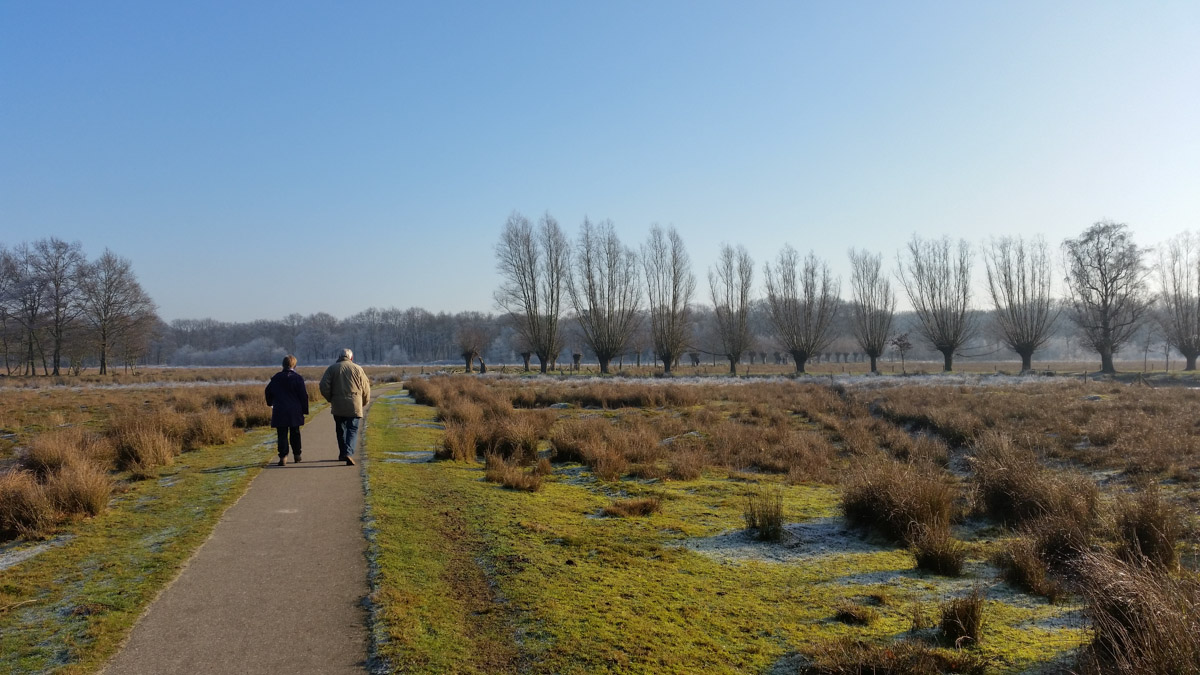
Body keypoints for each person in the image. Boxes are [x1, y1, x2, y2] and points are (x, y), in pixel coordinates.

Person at [319, 348, 371, 466]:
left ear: (339, 356)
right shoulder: (358, 369)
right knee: (352, 430)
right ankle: (348, 453)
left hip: (338, 404)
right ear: (351, 358)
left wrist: (330, 398)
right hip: (354, 403)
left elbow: (323, 386)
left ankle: (343, 453)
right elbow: (366, 388)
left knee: (340, 429)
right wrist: (364, 402)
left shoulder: (332, 369)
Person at [265, 354, 309, 466]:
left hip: (280, 409)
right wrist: (304, 409)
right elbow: (303, 396)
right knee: (295, 432)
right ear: (294, 365)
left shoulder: (276, 378)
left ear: (283, 365)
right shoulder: (298, 378)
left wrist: (270, 403)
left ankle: (283, 456)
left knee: (282, 434)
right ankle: (297, 455)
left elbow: (268, 391)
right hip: (294, 410)